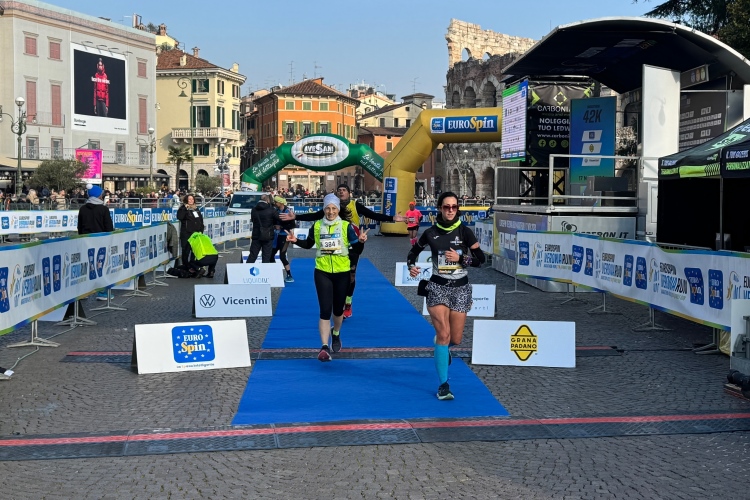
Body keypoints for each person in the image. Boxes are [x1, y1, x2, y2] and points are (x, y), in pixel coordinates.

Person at [281, 183, 406, 318]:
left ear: (349, 192)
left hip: (352, 244)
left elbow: (372, 215)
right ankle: (338, 301)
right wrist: (296, 217)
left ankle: (348, 303)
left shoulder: (355, 205)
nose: (341, 192)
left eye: (344, 190)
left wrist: (392, 218)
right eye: (339, 190)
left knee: (351, 276)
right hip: (335, 246)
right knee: (339, 276)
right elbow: (315, 215)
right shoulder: (331, 207)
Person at [406, 191, 485, 401]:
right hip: (437, 287)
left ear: (458, 209)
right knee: (443, 335)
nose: (450, 210)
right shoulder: (430, 233)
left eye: (454, 207)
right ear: (439, 208)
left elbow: (481, 259)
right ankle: (443, 385)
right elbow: (413, 253)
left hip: (460, 288)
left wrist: (461, 258)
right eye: (446, 207)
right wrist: (412, 266)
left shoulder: (465, 232)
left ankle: (443, 347)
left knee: (455, 339)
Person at [286, 193, 367, 361]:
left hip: (342, 272)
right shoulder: (316, 226)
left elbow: (357, 251)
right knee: (324, 310)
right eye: (328, 208)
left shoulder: (346, 227)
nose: (330, 212)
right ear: (323, 209)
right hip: (322, 271)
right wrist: (295, 240)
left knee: (338, 310)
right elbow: (308, 244)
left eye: (334, 208)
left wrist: (361, 242)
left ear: (338, 209)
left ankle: (335, 333)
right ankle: (324, 347)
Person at [78, 184, 115, 300]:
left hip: (86, 241)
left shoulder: (83, 209)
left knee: (86, 267)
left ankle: (83, 292)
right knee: (101, 267)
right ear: (99, 196)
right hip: (101, 241)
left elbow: (79, 227)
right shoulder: (103, 209)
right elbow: (109, 227)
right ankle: (102, 292)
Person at [248, 194, 283, 264]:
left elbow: (253, 220)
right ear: (267, 200)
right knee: (266, 257)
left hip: (256, 234)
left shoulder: (254, 209)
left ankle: (246, 270)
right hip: (268, 235)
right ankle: (265, 270)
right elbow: (280, 218)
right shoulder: (271, 210)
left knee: (252, 256)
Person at [271, 196, 297, 282]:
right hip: (276, 236)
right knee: (271, 255)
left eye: (276, 202)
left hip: (284, 236)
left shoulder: (288, 211)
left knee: (282, 256)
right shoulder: (276, 210)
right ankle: (275, 273)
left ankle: (289, 275)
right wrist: (274, 226)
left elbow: (292, 225)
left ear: (280, 203)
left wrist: (281, 227)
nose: (275, 203)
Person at [176, 194, 205, 267]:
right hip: (186, 233)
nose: (191, 201)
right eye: (189, 199)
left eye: (192, 199)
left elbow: (200, 220)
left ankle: (192, 266)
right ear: (186, 200)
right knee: (186, 251)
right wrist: (185, 209)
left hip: (196, 233)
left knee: (194, 251)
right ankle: (185, 266)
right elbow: (180, 217)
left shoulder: (196, 208)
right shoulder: (182, 208)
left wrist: (201, 230)